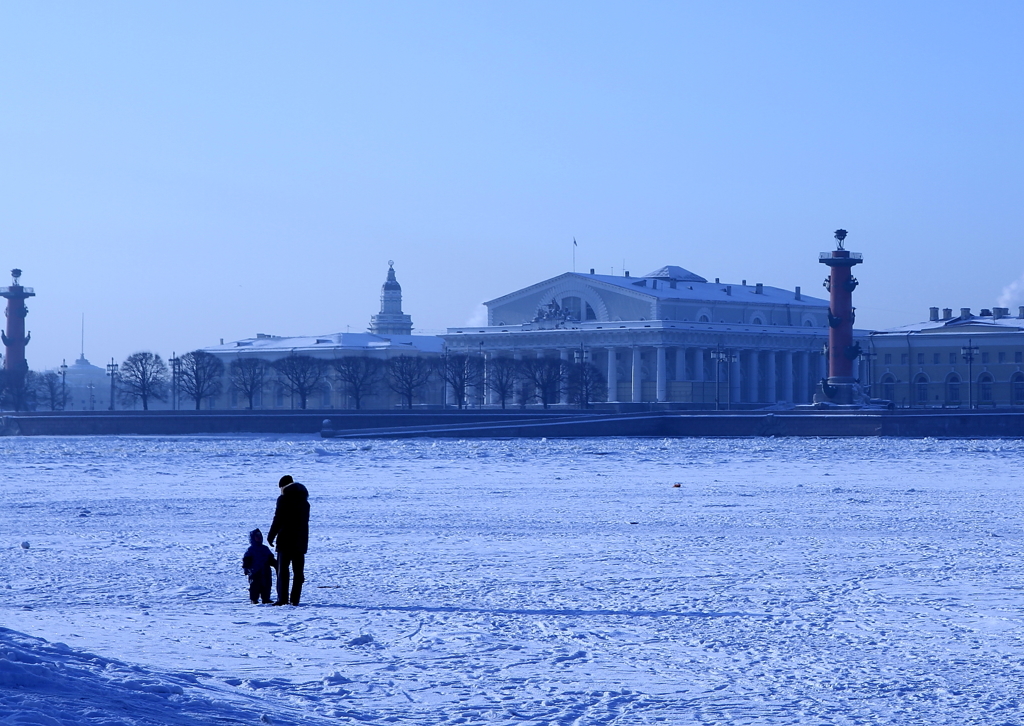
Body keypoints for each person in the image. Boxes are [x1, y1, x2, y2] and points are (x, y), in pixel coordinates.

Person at [267, 474, 310, 606]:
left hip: (285, 540)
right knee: (298, 573)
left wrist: (271, 535)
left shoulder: (283, 499)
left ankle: (282, 599)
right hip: (301, 541)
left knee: (283, 571)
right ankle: (295, 600)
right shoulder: (305, 501)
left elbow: (278, 519)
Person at [242, 528, 277, 604]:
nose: (259, 538)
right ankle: (254, 599)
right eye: (256, 536)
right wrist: (246, 568)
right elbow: (246, 560)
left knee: (267, 585)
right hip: (255, 571)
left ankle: (266, 598)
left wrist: (276, 565)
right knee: (255, 586)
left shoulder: (265, 548)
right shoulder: (251, 550)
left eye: (260, 536)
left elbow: (270, 558)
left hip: (265, 570)